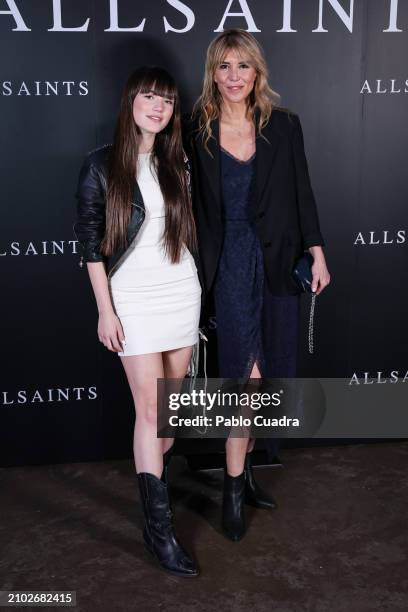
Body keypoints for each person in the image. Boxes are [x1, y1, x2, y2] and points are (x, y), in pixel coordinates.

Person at [183, 29, 330, 541]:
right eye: (223, 66)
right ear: (212, 72)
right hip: (227, 263)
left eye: (242, 66)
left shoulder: (283, 127)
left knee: (267, 376)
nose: (233, 76)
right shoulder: (194, 129)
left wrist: (317, 253)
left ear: (257, 71)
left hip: (277, 262)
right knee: (244, 374)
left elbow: (303, 192)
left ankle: (242, 478)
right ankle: (230, 487)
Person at [74, 66, 201, 577]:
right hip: (133, 299)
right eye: (149, 97)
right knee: (149, 411)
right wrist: (105, 309)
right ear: (130, 102)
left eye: (166, 101)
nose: (158, 107)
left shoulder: (178, 160)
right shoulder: (101, 165)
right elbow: (89, 245)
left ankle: (157, 492)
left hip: (181, 293)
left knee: (167, 418)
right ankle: (160, 532)